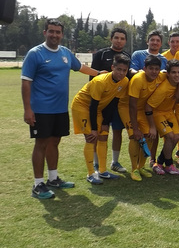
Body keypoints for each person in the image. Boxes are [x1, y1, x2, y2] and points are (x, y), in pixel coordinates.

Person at [22, 19, 101, 199]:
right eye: (51, 31)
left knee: (54, 142)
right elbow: (26, 82)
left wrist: (99, 74)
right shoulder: (35, 54)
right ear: (45, 33)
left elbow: (80, 67)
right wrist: (28, 109)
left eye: (58, 32)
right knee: (40, 144)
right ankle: (37, 184)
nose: (54, 35)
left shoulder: (65, 53)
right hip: (41, 109)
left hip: (60, 109)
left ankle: (53, 178)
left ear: (62, 34)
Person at [72, 54, 130, 184]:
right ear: (112, 67)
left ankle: (103, 171)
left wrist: (105, 122)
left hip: (98, 109)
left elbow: (113, 103)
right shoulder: (100, 81)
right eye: (118, 69)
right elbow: (93, 106)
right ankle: (91, 173)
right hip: (82, 106)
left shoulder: (124, 81)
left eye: (124, 70)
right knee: (91, 137)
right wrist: (93, 129)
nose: (121, 73)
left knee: (103, 135)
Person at [118, 55, 166, 181]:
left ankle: (141, 167)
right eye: (151, 68)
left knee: (150, 135)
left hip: (142, 110)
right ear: (144, 68)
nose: (154, 72)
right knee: (135, 136)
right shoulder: (138, 79)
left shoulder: (161, 76)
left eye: (157, 69)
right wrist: (135, 128)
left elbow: (174, 76)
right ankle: (134, 169)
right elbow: (132, 106)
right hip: (127, 108)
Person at [90, 27, 131, 173]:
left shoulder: (127, 56)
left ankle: (115, 162)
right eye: (116, 37)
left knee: (117, 131)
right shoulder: (101, 54)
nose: (119, 41)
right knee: (101, 132)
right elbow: (93, 77)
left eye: (122, 38)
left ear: (125, 41)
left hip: (117, 102)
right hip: (100, 102)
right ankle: (97, 164)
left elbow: (127, 78)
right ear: (111, 39)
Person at [146, 59, 179, 175]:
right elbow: (148, 107)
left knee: (177, 137)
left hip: (169, 113)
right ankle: (169, 164)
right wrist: (152, 126)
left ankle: (159, 162)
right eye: (173, 72)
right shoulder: (163, 89)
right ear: (168, 73)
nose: (177, 75)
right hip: (157, 113)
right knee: (170, 136)